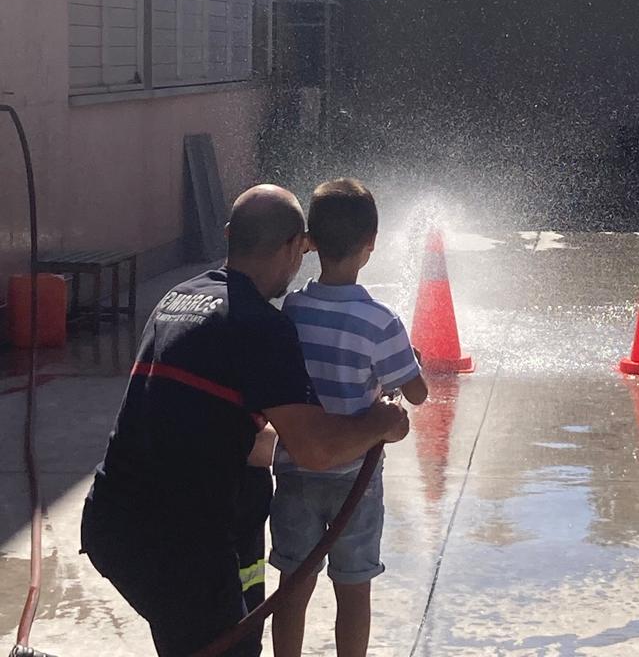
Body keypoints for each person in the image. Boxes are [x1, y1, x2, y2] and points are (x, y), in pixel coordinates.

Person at [80, 184, 409, 657]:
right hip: (175, 540)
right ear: (298, 248)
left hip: (113, 521)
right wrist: (379, 422)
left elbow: (225, 428)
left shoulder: (181, 297)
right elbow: (317, 452)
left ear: (231, 235)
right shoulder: (259, 326)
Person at [270, 178, 428, 657]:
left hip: (294, 471)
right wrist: (405, 364)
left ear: (310, 242)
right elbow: (416, 393)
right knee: (354, 587)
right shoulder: (381, 322)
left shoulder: (292, 308)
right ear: (369, 247)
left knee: (292, 586)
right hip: (354, 477)